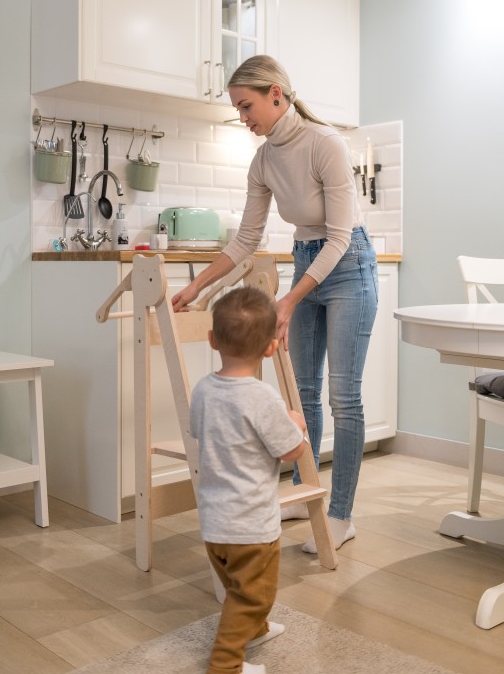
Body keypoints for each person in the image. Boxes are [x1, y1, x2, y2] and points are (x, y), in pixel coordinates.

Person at [173, 54, 378, 554]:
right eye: (238, 110)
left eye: (247, 107)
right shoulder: (264, 160)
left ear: (276, 95)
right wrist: (199, 286)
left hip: (347, 265)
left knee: (342, 398)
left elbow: (336, 238)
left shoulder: (325, 143)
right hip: (308, 259)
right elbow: (245, 239)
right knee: (302, 394)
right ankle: (299, 491)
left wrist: (287, 300)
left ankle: (340, 513)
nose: (244, 119)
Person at [190, 286, 307, 674]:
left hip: (215, 524)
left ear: (212, 340)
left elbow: (199, 431)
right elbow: (291, 452)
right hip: (252, 528)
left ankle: (254, 631)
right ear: (272, 348)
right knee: (253, 597)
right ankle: (225, 665)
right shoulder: (263, 398)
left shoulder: (204, 390)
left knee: (239, 588)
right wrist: (297, 426)